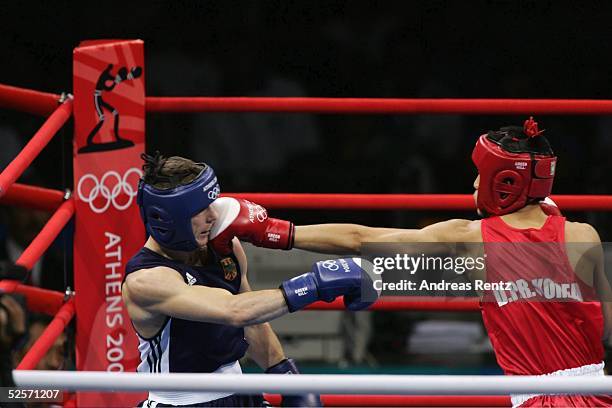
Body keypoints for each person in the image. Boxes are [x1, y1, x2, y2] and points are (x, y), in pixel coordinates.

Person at [212, 118, 612, 407]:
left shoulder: (471, 239)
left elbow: (362, 239)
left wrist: (278, 232)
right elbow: (607, 330)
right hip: (599, 392)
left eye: (479, 174)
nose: (473, 184)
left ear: (502, 182)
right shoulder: (584, 235)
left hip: (536, 400)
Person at [122, 153, 377, 407]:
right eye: (200, 211)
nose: (212, 216)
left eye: (211, 203)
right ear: (169, 218)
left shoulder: (221, 246)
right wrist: (314, 285)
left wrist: (286, 376)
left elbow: (252, 323)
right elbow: (234, 311)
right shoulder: (146, 281)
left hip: (242, 394)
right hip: (181, 402)